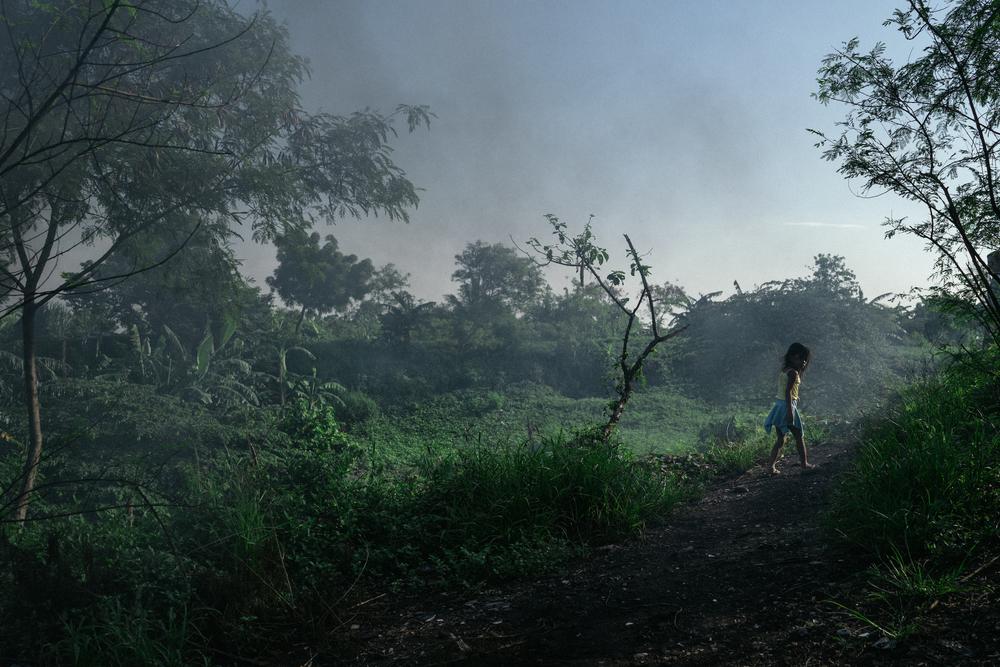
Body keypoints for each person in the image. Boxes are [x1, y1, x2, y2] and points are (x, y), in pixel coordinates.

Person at [764, 342, 816, 474]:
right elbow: (788, 392)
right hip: (787, 407)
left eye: (804, 359)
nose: (803, 362)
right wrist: (790, 412)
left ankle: (771, 466)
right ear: (792, 357)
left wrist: (794, 398)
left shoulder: (786, 370)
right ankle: (804, 464)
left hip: (780, 405)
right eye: (800, 358)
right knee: (798, 435)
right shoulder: (793, 373)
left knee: (781, 439)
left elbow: (787, 391)